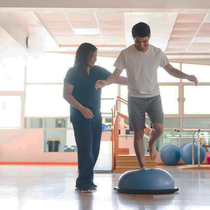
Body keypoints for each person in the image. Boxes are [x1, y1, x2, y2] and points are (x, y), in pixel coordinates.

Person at [95, 22, 198, 169]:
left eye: (145, 41)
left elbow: (171, 70)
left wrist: (187, 76)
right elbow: (115, 75)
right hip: (135, 99)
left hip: (154, 97)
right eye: (138, 42)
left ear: (149, 37)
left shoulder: (157, 53)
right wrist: (105, 83)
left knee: (159, 129)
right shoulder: (126, 54)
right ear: (133, 38)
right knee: (138, 134)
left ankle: (151, 142)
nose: (141, 45)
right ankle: (142, 167)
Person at [63, 43, 127, 193]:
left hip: (96, 116)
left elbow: (115, 78)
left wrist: (138, 81)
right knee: (85, 149)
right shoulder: (72, 72)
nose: (94, 59)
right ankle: (84, 182)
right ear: (83, 56)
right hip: (80, 116)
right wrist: (81, 108)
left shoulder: (97, 71)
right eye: (91, 56)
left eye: (95, 56)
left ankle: (85, 180)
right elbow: (67, 94)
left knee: (95, 150)